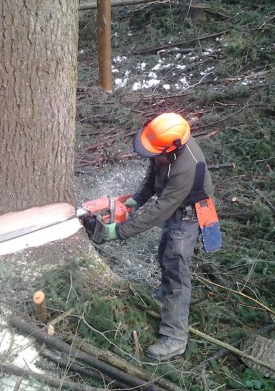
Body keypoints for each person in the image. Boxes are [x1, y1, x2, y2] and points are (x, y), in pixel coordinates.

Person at [81, 112, 214, 362]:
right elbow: (153, 175)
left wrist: (119, 231)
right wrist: (136, 200)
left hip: (189, 214)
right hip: (175, 206)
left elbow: (160, 210)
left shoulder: (185, 167)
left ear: (173, 148)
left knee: (176, 268)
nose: (153, 156)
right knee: (165, 253)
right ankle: (165, 296)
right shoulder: (163, 147)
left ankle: (175, 338)